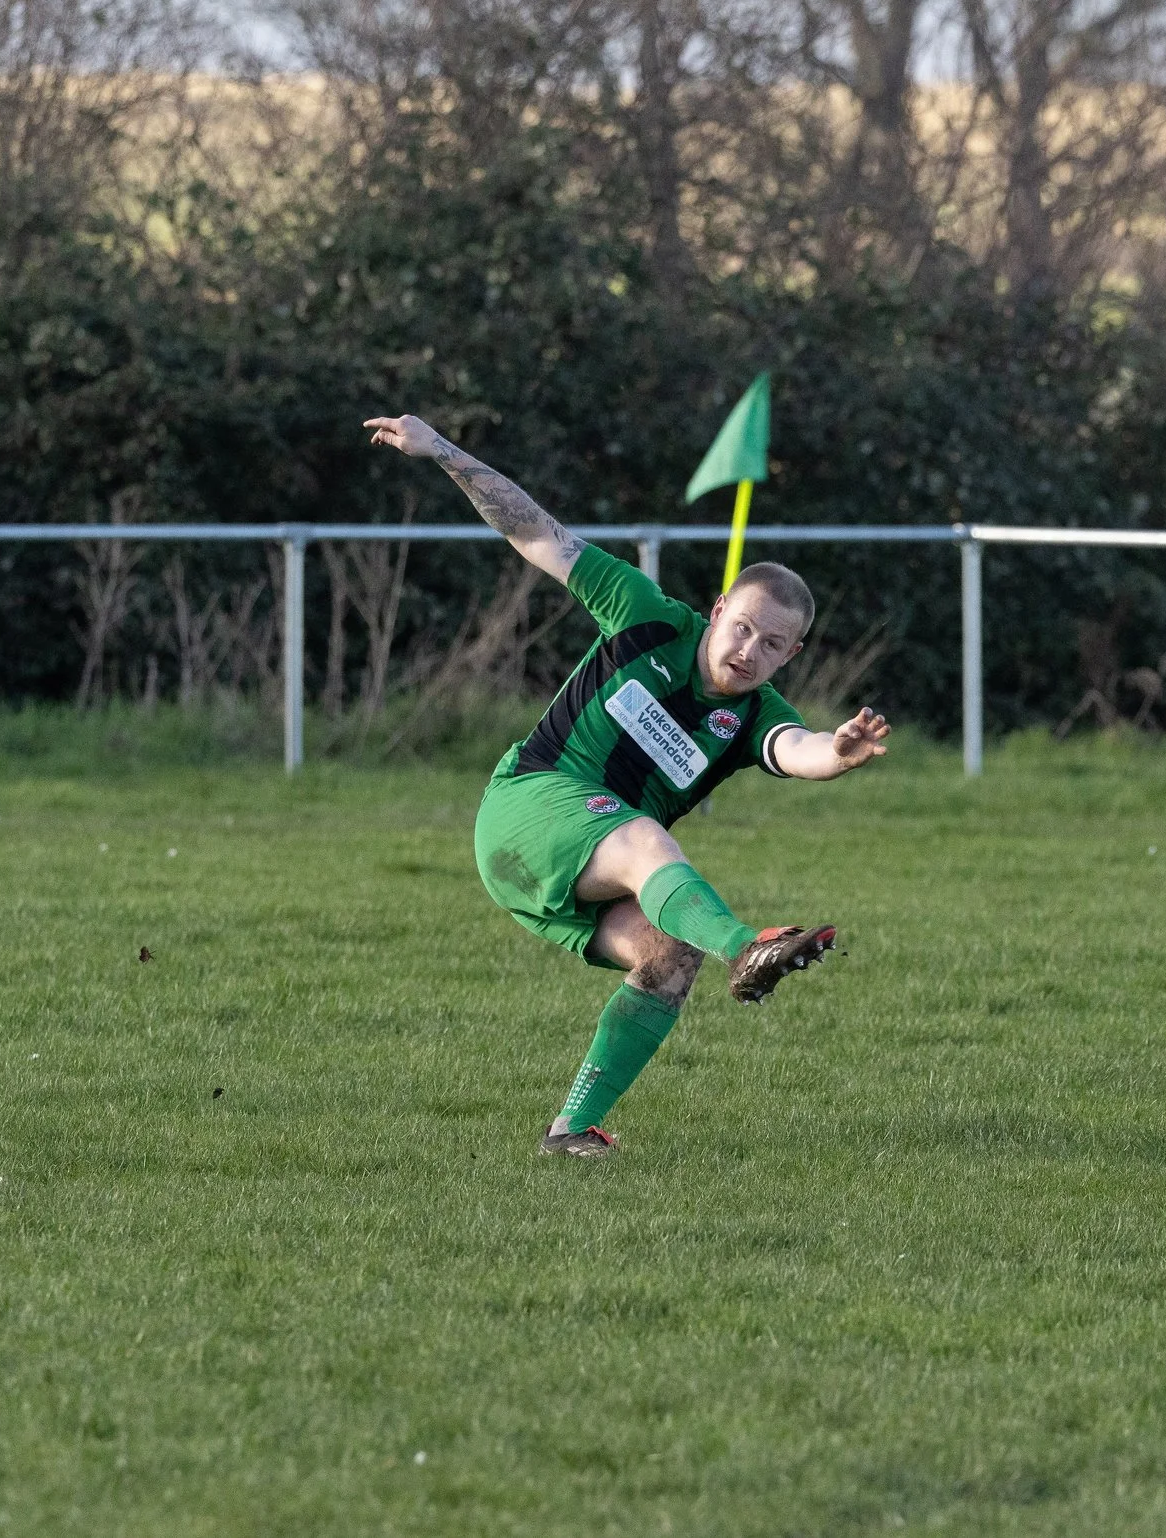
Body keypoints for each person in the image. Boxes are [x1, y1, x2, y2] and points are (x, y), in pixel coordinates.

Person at [366, 412, 890, 1158]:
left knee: (671, 954)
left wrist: (838, 752)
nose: (750, 650)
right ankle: (749, 947)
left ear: (792, 653)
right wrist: (442, 450)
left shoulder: (753, 717)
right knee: (648, 838)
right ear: (717, 612)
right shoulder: (644, 615)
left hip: (577, 871)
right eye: (742, 627)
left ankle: (570, 1130)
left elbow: (796, 747)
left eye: (773, 644)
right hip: (525, 808)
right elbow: (538, 532)